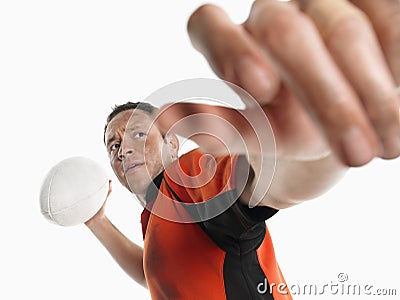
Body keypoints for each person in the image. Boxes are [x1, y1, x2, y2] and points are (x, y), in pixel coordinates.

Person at [85, 1, 399, 299]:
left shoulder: (188, 177)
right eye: (114, 144)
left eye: (138, 133)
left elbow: (261, 189)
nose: (123, 150)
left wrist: (317, 146)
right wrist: (96, 220)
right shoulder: (156, 216)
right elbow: (151, 274)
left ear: (172, 143)